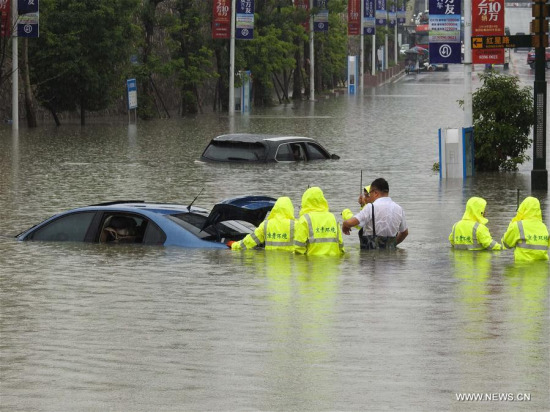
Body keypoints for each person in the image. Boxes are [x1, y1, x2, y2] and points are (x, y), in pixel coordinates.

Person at [342, 178, 408, 249]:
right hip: (391, 257)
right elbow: (404, 233)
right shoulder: (399, 209)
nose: (369, 196)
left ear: (375, 193)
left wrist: (345, 225)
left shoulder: (370, 207)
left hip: (371, 257)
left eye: (370, 193)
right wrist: (392, 244)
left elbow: (351, 222)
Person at [229, 196, 295, 251]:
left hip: (270, 264)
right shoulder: (295, 225)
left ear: (275, 208)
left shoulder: (266, 225)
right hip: (288, 263)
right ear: (290, 209)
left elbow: (250, 240)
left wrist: (234, 245)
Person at [294, 186, 344, 256]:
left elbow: (299, 248)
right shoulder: (333, 217)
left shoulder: (304, 219)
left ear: (305, 200)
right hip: (332, 264)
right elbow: (341, 245)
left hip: (312, 264)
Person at [501, 196, 549, 261]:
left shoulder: (518, 225)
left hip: (522, 268)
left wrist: (511, 225)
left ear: (523, 208)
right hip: (542, 268)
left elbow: (506, 244)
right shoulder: (543, 226)